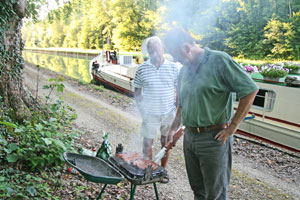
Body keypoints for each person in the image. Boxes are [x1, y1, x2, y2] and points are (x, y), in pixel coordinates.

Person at [164, 28, 259, 199]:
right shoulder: (184, 70)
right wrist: (172, 131)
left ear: (186, 47)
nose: (176, 59)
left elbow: (250, 90)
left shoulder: (219, 60)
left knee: (215, 194)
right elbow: (181, 106)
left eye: (176, 54)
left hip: (214, 139)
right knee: (198, 190)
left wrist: (232, 127)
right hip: (190, 138)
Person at [133, 36, 179, 170]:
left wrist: (176, 111)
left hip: (168, 113)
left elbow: (178, 91)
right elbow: (137, 92)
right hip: (150, 113)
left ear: (162, 48)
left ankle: (162, 169)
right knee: (147, 144)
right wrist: (142, 111)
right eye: (151, 50)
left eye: (156, 49)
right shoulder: (142, 68)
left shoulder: (173, 68)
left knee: (166, 142)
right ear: (148, 51)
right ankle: (148, 170)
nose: (154, 53)